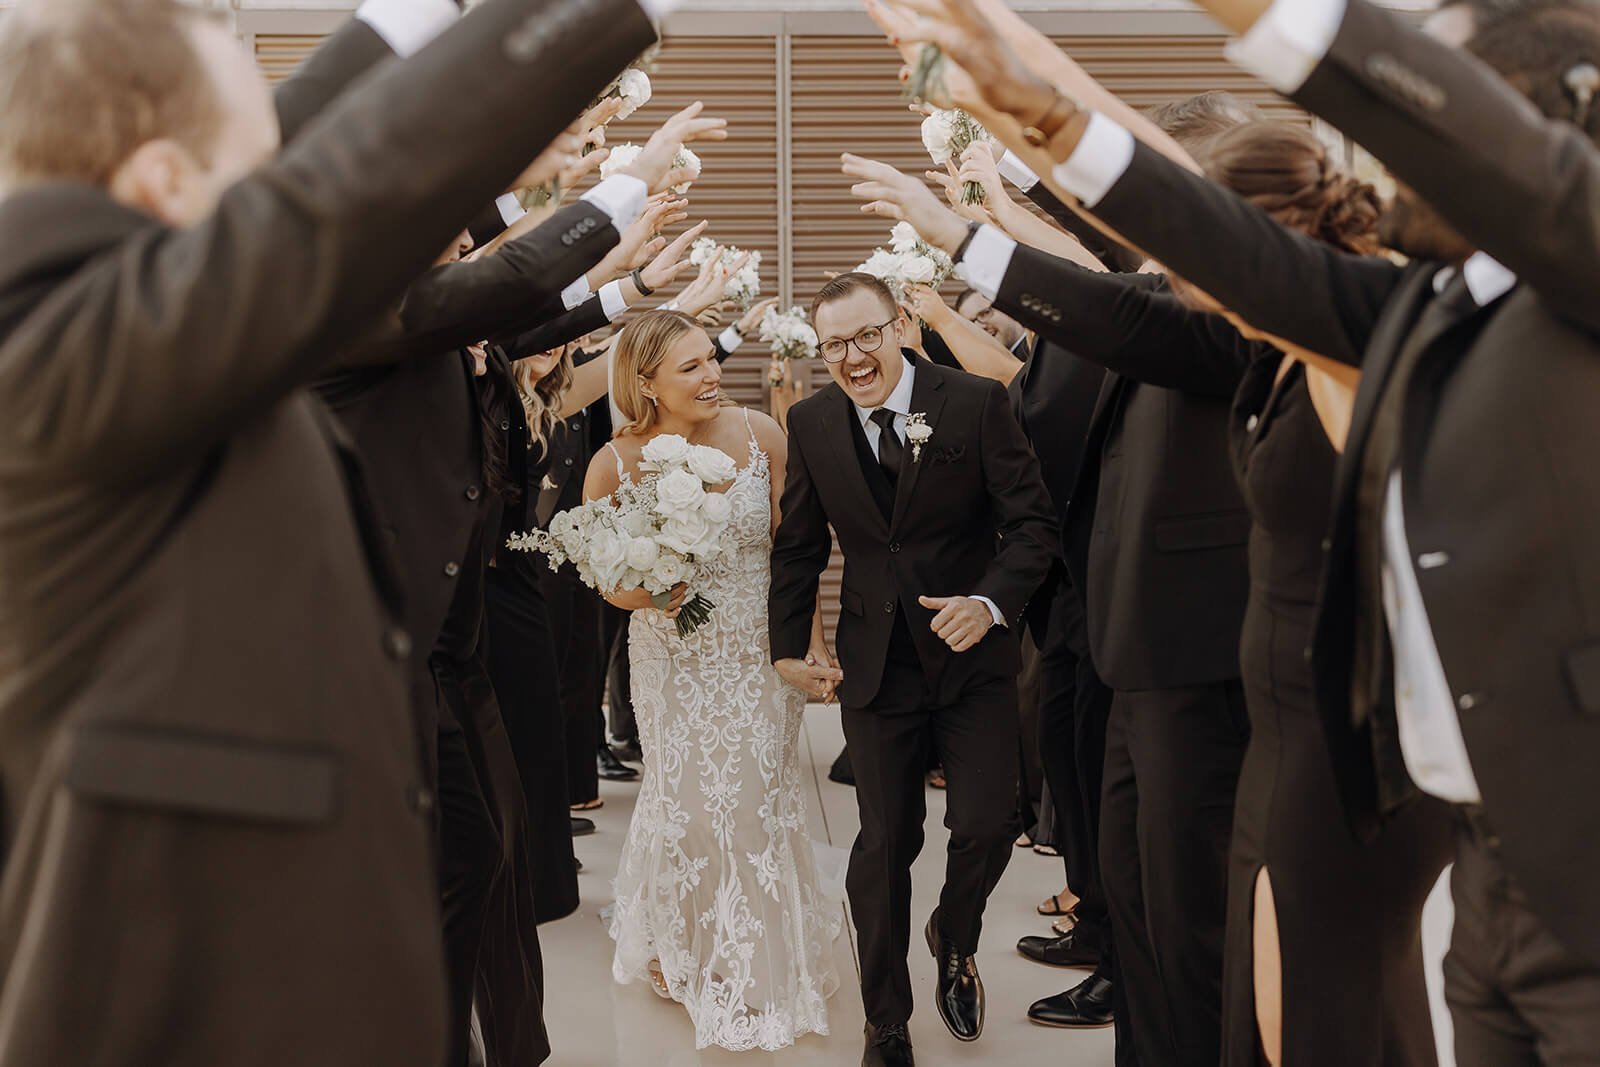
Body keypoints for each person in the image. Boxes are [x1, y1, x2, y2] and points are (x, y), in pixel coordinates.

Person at [896, 0, 1600, 1060]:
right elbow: (1197, 246)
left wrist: (1285, 20)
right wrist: (1032, 101)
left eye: (1413, 104)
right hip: (1480, 852)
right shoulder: (1408, 305)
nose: (1381, 148)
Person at [0, 0, 658, 1063]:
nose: (281, 178)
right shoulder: (50, 339)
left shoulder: (120, 327)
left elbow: (293, 152)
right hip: (194, 1007)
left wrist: (411, 17)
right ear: (170, 183)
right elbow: (321, 208)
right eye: (255, 166)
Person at [769, 273, 1056, 1066]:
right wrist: (788, 649)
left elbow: (1032, 525)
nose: (853, 358)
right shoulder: (813, 420)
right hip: (875, 665)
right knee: (885, 840)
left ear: (898, 324)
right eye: (834, 345)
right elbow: (798, 546)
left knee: (991, 822)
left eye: (866, 336)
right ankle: (886, 1019)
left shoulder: (972, 402)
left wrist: (991, 602)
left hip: (972, 658)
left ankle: (954, 934)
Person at [581, 309, 841, 1052]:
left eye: (710, 359)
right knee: (686, 804)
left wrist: (810, 648)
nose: (712, 375)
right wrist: (651, 587)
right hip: (672, 660)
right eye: (690, 366)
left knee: (754, 805)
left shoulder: (762, 435)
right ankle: (680, 941)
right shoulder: (614, 462)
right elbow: (607, 581)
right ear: (645, 381)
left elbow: (797, 556)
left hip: (758, 655)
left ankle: (758, 957)